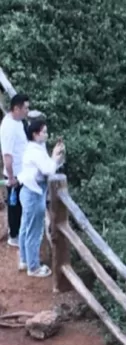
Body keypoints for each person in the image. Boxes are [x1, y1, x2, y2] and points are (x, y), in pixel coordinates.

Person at [17, 117, 65, 277]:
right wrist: (55, 156)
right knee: (34, 231)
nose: (46, 134)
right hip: (34, 194)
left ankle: (25, 260)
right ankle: (33, 267)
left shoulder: (34, 148)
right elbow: (49, 170)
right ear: (35, 134)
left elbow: (48, 165)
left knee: (26, 227)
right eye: (44, 132)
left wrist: (56, 158)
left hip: (27, 191)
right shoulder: (35, 152)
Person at [1, 92, 30, 247]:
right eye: (26, 108)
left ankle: (18, 233)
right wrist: (11, 177)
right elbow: (7, 155)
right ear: (16, 109)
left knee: (20, 204)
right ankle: (14, 236)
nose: (27, 111)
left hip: (22, 173)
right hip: (15, 175)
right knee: (15, 207)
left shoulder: (18, 121)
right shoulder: (9, 128)